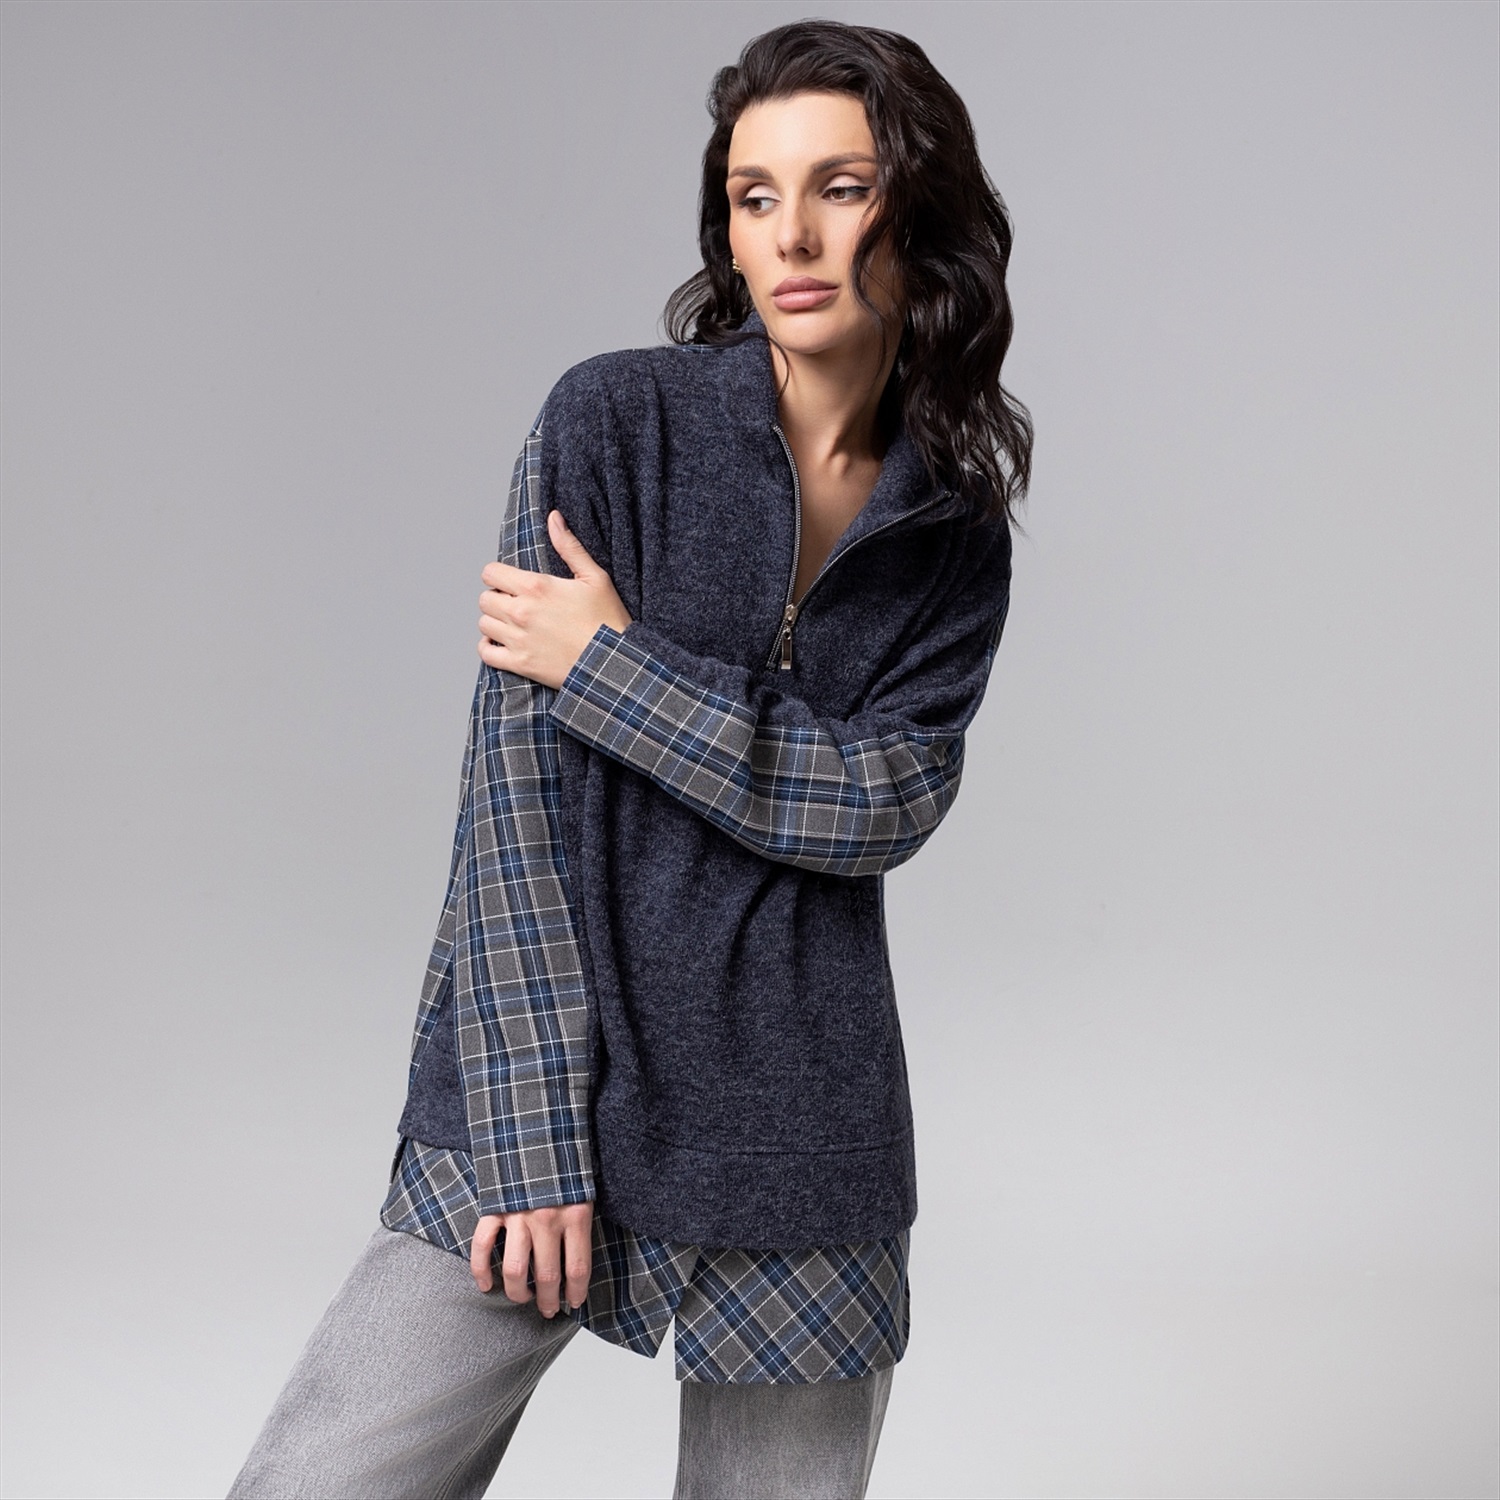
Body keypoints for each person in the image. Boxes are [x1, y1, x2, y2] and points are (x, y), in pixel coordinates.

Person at [226, 18, 1032, 1500]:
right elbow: (513, 812)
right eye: (754, 195)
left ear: (919, 206)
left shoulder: (953, 536)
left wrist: (608, 664)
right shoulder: (614, 424)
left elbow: (879, 806)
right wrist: (533, 1141)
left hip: (802, 1143)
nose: (792, 235)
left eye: (841, 187)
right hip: (539, 1098)